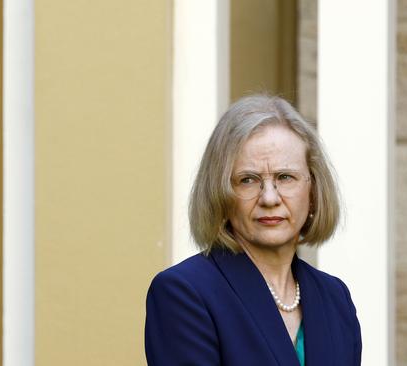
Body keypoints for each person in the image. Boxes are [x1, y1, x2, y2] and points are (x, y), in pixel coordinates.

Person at [145, 95, 361, 365]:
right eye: (247, 180)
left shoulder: (335, 298)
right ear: (220, 193)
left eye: (285, 177)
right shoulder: (184, 294)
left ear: (313, 190)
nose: (269, 198)